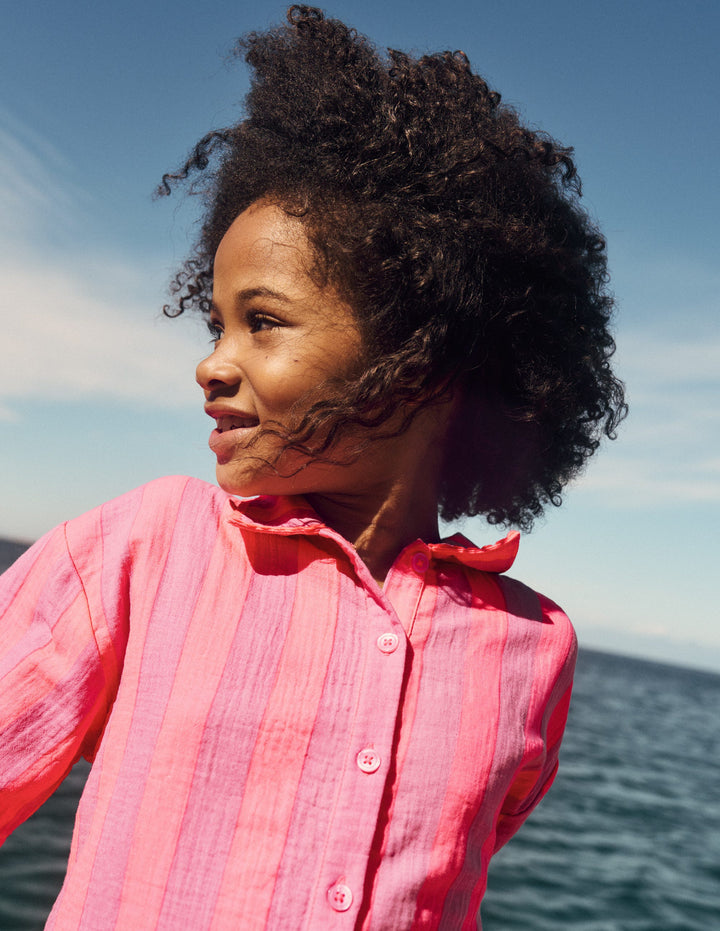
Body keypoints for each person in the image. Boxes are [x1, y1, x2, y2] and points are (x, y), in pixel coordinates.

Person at [0, 6, 626, 929]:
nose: (212, 361)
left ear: (424, 356)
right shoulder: (142, 551)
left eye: (262, 320)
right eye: (215, 321)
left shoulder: (535, 648)